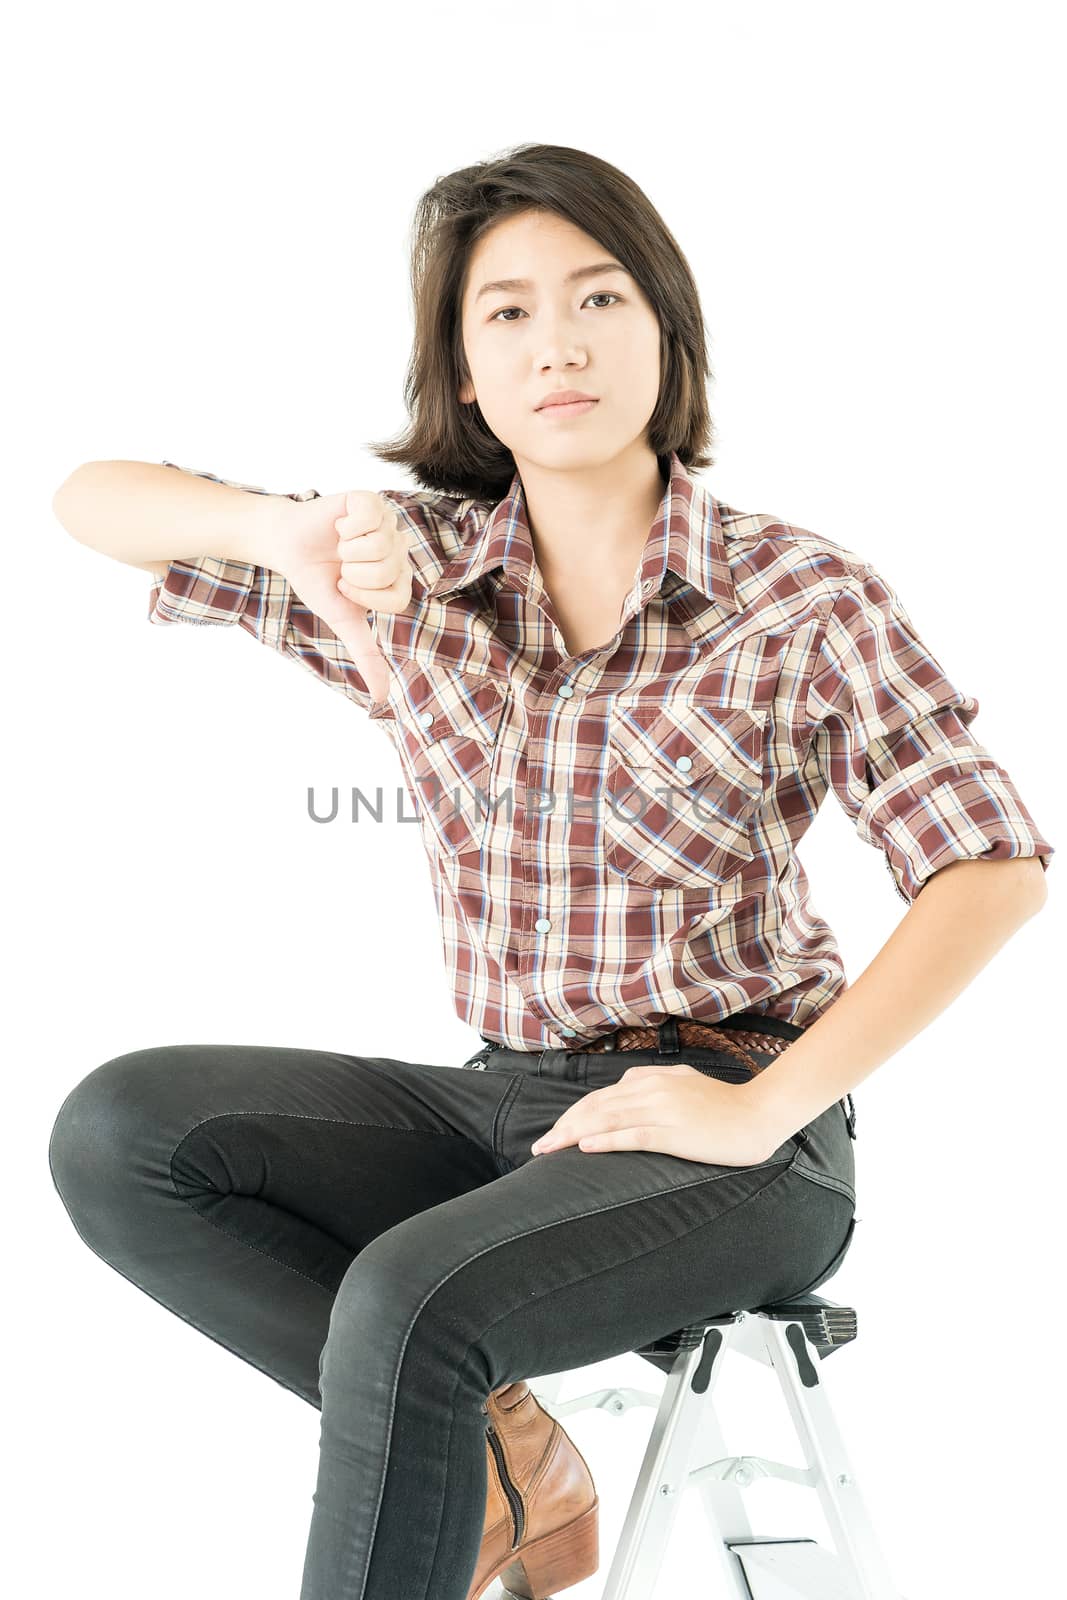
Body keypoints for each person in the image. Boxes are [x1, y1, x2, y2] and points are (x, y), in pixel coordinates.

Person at [47, 142, 1054, 1600]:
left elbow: (992, 868)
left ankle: (465, 1446)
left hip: (738, 1121)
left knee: (409, 1301)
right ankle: (514, 1459)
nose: (557, 343)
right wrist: (288, 535)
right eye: (505, 313)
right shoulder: (412, 579)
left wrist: (766, 1105)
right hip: (504, 1097)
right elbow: (90, 500)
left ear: (665, 333)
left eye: (597, 299)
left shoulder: (798, 598)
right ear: (462, 373)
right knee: (122, 1132)